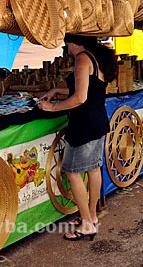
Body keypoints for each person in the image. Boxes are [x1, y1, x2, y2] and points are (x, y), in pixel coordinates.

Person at [37, 34, 117, 241]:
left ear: (74, 43)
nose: (67, 49)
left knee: (72, 173)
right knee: (93, 168)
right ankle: (91, 215)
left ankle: (87, 224)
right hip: (98, 120)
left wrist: (52, 107)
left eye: (67, 44)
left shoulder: (82, 58)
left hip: (85, 124)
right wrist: (56, 90)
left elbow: (80, 97)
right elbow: (89, 90)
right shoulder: (95, 56)